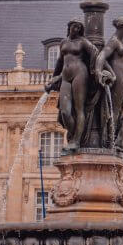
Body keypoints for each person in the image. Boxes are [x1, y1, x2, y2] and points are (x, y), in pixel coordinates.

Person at [45, 19, 99, 150]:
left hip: (80, 74)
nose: (77, 29)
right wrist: (53, 80)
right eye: (75, 27)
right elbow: (59, 61)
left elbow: (95, 52)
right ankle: (74, 134)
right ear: (69, 27)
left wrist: (92, 69)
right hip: (65, 76)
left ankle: (76, 141)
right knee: (65, 111)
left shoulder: (83, 41)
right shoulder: (64, 42)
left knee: (79, 108)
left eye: (79, 28)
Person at [95, 16, 123, 151]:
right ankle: (110, 141)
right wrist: (98, 71)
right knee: (115, 111)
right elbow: (102, 56)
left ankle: (118, 140)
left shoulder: (122, 43)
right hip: (117, 81)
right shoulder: (113, 42)